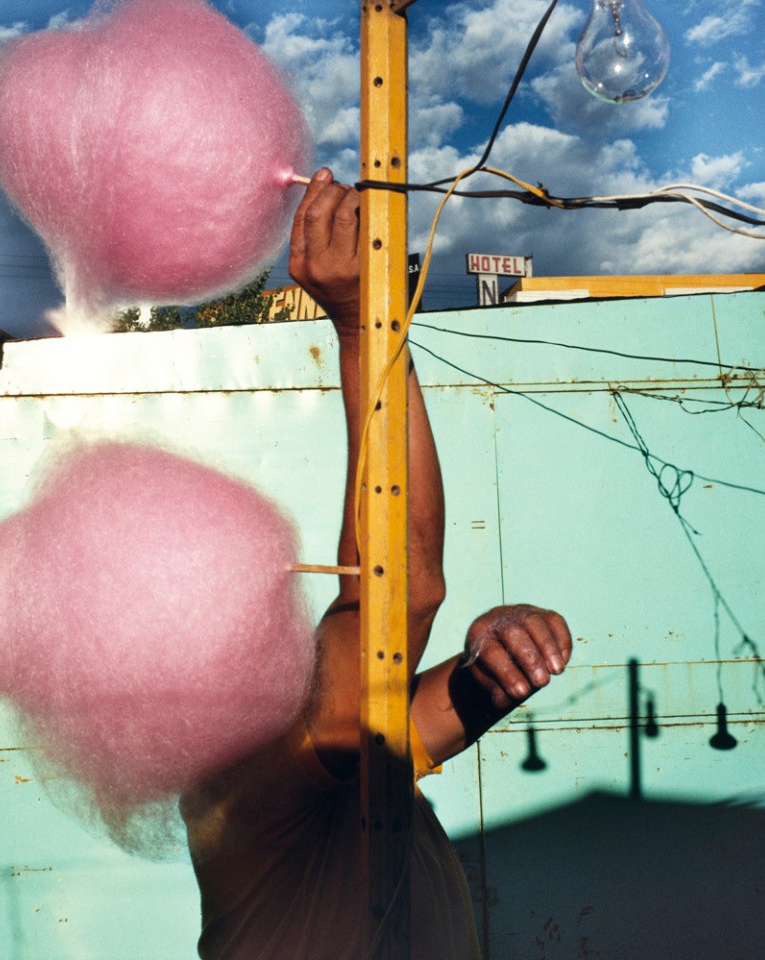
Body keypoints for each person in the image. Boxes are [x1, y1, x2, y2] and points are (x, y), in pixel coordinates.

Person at [180, 169, 574, 960]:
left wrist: (499, 646)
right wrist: (364, 326)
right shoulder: (242, 782)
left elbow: (436, 704)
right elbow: (400, 593)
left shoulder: (341, 765)